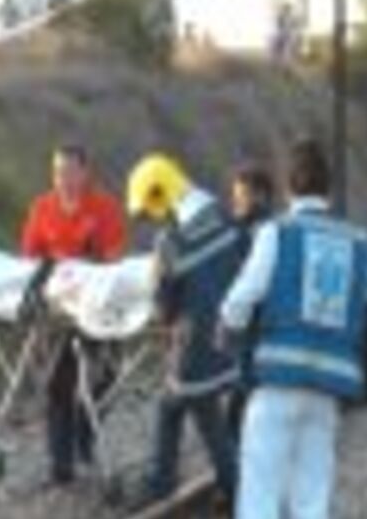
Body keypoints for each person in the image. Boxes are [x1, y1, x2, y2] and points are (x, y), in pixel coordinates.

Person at [220, 138, 367, 519]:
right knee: (311, 497)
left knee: (259, 493)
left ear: (288, 187)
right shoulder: (359, 242)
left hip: (275, 381)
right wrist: (355, 337)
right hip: (327, 389)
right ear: (330, 189)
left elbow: (244, 296)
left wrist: (228, 327)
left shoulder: (276, 233)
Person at [126, 154, 240, 509]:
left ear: (160, 195)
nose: (147, 218)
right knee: (195, 411)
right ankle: (227, 483)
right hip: (230, 342)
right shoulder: (223, 216)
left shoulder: (171, 244)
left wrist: (157, 287)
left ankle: (164, 482)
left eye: (147, 209)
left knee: (179, 407)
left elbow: (165, 311)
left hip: (195, 351)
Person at [20, 144, 127, 485]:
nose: (62, 179)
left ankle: (85, 436)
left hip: (95, 301)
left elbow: (112, 260)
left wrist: (85, 270)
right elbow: (30, 258)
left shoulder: (104, 207)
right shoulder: (42, 207)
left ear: (84, 172)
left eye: (68, 171)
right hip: (57, 307)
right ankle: (60, 462)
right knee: (57, 384)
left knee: (106, 377)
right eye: (56, 172)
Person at [227, 162, 277, 436]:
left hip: (257, 315)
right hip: (252, 315)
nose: (236, 205)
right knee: (247, 378)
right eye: (234, 198)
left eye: (241, 198)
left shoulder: (262, 230)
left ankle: (232, 439)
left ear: (260, 196)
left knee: (247, 378)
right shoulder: (246, 227)